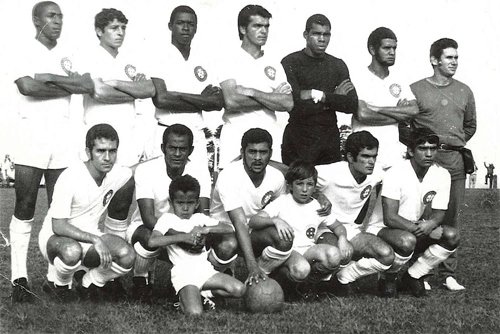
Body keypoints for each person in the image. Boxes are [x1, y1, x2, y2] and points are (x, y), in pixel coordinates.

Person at [10, 1, 94, 303]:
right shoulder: (22, 48)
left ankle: (55, 279)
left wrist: (51, 78)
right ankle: (19, 279)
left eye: (60, 15)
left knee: (61, 208)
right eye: (51, 15)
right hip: (31, 133)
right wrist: (66, 86)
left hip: (63, 135)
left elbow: (85, 83)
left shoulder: (68, 54)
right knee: (26, 203)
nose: (57, 21)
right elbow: (27, 87)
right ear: (37, 19)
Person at [79, 8, 156, 240]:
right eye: (114, 28)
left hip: (127, 141)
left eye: (123, 28)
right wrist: (132, 89)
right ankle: (82, 267)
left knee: (121, 205)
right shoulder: (87, 57)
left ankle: (112, 268)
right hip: (98, 139)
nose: (120, 33)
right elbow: (99, 92)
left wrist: (113, 82)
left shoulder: (130, 60)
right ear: (99, 31)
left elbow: (150, 89)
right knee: (89, 206)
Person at [38, 124, 135, 302]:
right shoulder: (70, 176)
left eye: (112, 151)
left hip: (89, 238)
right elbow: (58, 225)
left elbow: (138, 168)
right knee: (71, 251)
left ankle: (89, 282)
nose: (107, 158)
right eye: (100, 151)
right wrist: (95, 239)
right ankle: (59, 284)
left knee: (127, 255)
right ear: (88, 152)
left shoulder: (116, 173)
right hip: (54, 238)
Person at [410, 38, 476, 290]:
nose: (454, 62)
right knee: (425, 217)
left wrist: (451, 144)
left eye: (456, 57)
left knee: (452, 217)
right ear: (434, 60)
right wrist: (427, 149)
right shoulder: (416, 89)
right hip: (426, 163)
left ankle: (448, 273)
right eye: (449, 57)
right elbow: (407, 126)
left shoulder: (464, 90)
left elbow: (470, 125)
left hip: (455, 162)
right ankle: (421, 272)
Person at [125, 124, 212, 302]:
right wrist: (181, 237)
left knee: (210, 239)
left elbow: (202, 214)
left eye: (183, 149)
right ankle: (141, 281)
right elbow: (149, 218)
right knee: (148, 236)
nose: (177, 154)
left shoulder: (200, 170)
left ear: (191, 150)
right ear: (163, 148)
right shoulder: (146, 170)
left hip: (186, 229)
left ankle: (194, 287)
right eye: (172, 148)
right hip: (146, 228)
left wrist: (195, 236)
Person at [369, 128, 459, 297]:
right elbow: (390, 217)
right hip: (382, 230)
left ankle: (413, 275)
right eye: (423, 149)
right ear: (410, 151)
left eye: (433, 148)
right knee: (407, 240)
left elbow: (440, 212)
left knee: (452, 235)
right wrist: (420, 229)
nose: (429, 154)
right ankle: (388, 277)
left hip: (414, 227)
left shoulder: (442, 174)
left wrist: (431, 224)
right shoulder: (395, 172)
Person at [249, 160, 352, 301]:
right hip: (287, 252)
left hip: (307, 250)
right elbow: (254, 221)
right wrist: (275, 220)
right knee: (301, 268)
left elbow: (338, 226)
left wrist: (342, 239)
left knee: (334, 255)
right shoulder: (282, 202)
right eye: (299, 184)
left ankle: (308, 285)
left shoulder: (317, 206)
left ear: (315, 187)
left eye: (309, 184)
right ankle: (281, 282)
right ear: (290, 185)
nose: (304, 189)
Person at [148, 175, 245, 315]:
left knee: (239, 289)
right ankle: (181, 300)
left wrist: (207, 229)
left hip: (204, 270)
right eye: (180, 203)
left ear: (197, 203)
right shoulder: (167, 219)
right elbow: (153, 241)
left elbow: (230, 228)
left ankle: (202, 294)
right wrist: (183, 237)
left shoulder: (199, 219)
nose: (186, 208)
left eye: (190, 203)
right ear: (171, 202)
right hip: (183, 273)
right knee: (195, 313)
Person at [315, 131, 395, 296]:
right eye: (365, 156)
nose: (371, 161)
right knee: (339, 254)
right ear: (350, 157)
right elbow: (296, 175)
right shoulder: (330, 173)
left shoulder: (376, 174)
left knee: (386, 255)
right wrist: (318, 195)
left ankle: (344, 278)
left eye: (374, 156)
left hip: (349, 229)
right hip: (323, 228)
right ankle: (315, 284)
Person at [150, 5, 224, 176]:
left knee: (196, 188)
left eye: (190, 24)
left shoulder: (203, 60)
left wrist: (177, 95)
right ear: (170, 26)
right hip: (167, 132)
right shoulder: (159, 56)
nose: (185, 28)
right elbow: (162, 100)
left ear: (196, 28)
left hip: (196, 136)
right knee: (162, 188)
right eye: (180, 23)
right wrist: (200, 100)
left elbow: (217, 103)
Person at [210, 128, 291, 284]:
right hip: (224, 230)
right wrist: (251, 265)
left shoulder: (276, 177)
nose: (258, 158)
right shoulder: (229, 175)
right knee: (229, 245)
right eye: (252, 152)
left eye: (263, 152)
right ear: (242, 152)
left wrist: (276, 221)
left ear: (271, 153)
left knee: (283, 237)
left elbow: (278, 210)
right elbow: (239, 222)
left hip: (253, 230)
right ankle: (212, 276)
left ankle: (263, 275)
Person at [218, 4, 293, 169]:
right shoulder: (229, 60)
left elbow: (288, 103)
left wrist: (251, 92)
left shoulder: (275, 65)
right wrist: (272, 97)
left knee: (271, 189)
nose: (264, 31)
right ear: (243, 29)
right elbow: (231, 101)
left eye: (266, 26)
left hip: (269, 135)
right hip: (236, 133)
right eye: (257, 26)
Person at [281, 14, 358, 166]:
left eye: (326, 34)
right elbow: (295, 106)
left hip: (329, 140)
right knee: (299, 186)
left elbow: (351, 104)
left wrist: (319, 96)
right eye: (316, 34)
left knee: (328, 189)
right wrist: (334, 98)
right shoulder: (291, 62)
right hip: (299, 139)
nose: (322, 39)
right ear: (306, 35)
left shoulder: (337, 65)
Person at [351, 27, 419, 170]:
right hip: (365, 155)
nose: (392, 52)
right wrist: (399, 114)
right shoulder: (358, 77)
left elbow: (413, 110)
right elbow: (362, 114)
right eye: (387, 48)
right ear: (372, 50)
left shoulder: (399, 79)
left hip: (393, 156)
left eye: (394, 48)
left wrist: (376, 108)